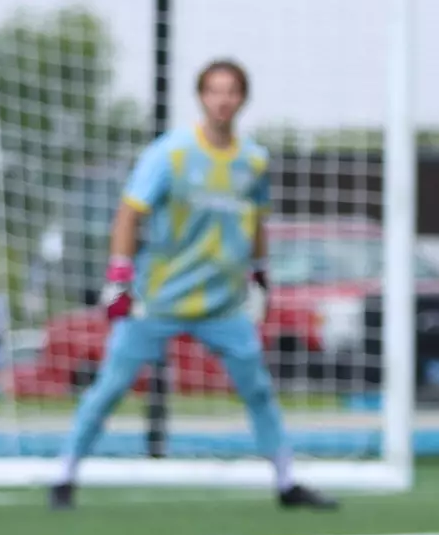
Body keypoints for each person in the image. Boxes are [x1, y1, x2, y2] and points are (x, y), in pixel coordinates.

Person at [49, 59, 336, 511]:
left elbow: (257, 220)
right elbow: (130, 212)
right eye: (214, 91)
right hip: (158, 299)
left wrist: (260, 274)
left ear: (243, 99)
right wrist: (119, 277)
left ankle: (286, 483)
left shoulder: (254, 160)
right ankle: (64, 476)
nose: (223, 100)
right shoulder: (171, 153)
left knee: (257, 388)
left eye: (232, 91)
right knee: (110, 387)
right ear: (201, 97)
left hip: (222, 304)